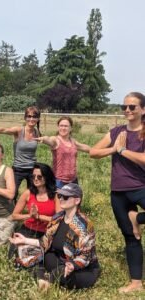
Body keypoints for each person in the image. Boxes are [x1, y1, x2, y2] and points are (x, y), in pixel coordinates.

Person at [90, 92, 145, 293]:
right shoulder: (116, 132)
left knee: (133, 227)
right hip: (118, 191)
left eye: (132, 107)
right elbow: (93, 152)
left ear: (143, 110)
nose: (128, 111)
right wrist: (114, 149)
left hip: (141, 187)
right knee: (131, 238)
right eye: (124, 107)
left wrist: (123, 151)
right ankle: (136, 282)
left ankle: (137, 218)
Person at [10, 183, 100, 291]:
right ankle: (46, 277)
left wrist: (72, 265)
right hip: (61, 260)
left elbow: (86, 256)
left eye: (65, 197)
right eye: (59, 196)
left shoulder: (84, 225)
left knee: (63, 275)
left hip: (81, 268)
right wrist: (24, 240)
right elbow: (45, 242)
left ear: (77, 201)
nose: (61, 199)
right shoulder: (57, 218)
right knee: (39, 255)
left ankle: (45, 278)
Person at [0, 106, 41, 202]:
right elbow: (5, 130)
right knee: (12, 193)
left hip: (32, 168)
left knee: (33, 192)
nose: (31, 119)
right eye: (29, 116)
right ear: (25, 118)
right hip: (18, 168)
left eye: (34, 116)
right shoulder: (19, 130)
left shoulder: (37, 132)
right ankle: (11, 211)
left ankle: (31, 211)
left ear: (38, 118)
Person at [9, 163, 58, 258]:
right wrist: (29, 216)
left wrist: (38, 216)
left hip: (47, 231)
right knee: (14, 255)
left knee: (40, 256)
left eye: (39, 176)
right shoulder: (28, 193)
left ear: (47, 177)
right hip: (28, 229)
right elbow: (14, 215)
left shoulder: (56, 195)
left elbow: (59, 219)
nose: (35, 179)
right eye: (33, 176)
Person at [35, 116, 90, 188]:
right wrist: (44, 139)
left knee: (75, 199)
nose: (63, 128)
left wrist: (100, 149)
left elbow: (85, 147)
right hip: (59, 181)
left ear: (71, 128)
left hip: (73, 180)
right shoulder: (56, 140)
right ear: (58, 127)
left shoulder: (73, 141)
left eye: (66, 126)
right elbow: (49, 140)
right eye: (61, 126)